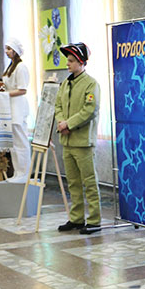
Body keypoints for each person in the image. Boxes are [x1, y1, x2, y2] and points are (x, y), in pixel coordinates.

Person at [54, 42, 102, 235]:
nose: (68, 63)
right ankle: (76, 218)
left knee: (89, 183)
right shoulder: (65, 84)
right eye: (68, 60)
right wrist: (61, 122)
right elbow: (58, 106)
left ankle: (94, 220)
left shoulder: (91, 84)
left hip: (83, 143)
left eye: (72, 60)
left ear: (81, 62)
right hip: (67, 142)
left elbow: (90, 110)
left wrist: (69, 124)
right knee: (73, 183)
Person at [3, 38, 31, 182]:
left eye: (9, 49)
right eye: (6, 48)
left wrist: (4, 94)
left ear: (15, 51)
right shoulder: (10, 67)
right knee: (13, 143)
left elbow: (22, 89)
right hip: (10, 107)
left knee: (21, 142)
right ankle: (17, 173)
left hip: (18, 107)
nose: (6, 51)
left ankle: (24, 173)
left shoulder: (21, 67)